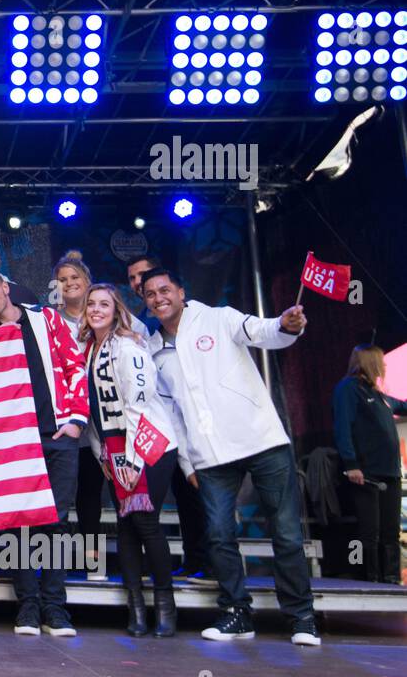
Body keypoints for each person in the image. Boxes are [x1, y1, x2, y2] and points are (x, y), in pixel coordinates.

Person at [141, 268, 320, 646]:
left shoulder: (219, 318)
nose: (159, 298)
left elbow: (264, 332)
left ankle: (301, 617)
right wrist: (187, 462)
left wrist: (288, 325)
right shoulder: (153, 351)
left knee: (286, 533)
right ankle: (236, 613)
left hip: (262, 441)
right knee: (220, 536)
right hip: (210, 457)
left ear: (180, 290)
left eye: (164, 290)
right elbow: (172, 415)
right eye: (150, 294)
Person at [0, 265, 88, 636]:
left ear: (5, 287)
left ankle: (56, 608)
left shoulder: (47, 319)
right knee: (17, 523)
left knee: (56, 522)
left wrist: (76, 421)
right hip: (15, 442)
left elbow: (74, 365)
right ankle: (28, 606)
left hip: (58, 435)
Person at [78, 284, 180, 637]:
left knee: (146, 524)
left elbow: (138, 407)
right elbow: (92, 415)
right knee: (125, 526)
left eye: (103, 304)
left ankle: (165, 607)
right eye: (91, 304)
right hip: (114, 450)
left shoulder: (128, 347)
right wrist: (103, 455)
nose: (96, 309)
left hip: (148, 446)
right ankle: (135, 607)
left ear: (116, 309)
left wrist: (134, 462)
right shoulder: (88, 351)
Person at [126, 255, 210, 582]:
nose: (139, 282)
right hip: (161, 432)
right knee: (172, 501)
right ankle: (192, 563)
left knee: (200, 499)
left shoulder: (201, 320)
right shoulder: (144, 330)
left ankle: (209, 565)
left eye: (144, 275)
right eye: (133, 278)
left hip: (202, 431)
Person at [333, 344, 407, 584]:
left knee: (390, 531)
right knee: (369, 531)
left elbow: (402, 406)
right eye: (381, 361)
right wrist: (351, 464)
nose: (384, 366)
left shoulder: (378, 395)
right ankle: (369, 577)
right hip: (367, 472)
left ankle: (391, 577)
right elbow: (342, 428)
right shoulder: (349, 390)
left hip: (390, 473)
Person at [51, 252, 104, 577]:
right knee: (59, 501)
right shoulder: (51, 321)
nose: (70, 284)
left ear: (87, 282)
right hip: (61, 424)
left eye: (75, 278)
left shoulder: (104, 315)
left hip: (98, 426)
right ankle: (53, 568)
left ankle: (91, 561)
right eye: (64, 280)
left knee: (90, 497)